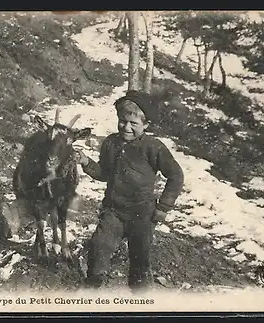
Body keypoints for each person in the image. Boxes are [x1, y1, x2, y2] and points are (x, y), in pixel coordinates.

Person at [75, 90, 185, 291]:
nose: (126, 128)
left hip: (142, 214)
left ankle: (140, 298)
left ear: (146, 125)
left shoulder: (153, 147)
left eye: (133, 124)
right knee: (99, 245)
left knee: (139, 259)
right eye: (122, 121)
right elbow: (104, 173)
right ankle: (92, 287)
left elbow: (176, 175)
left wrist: (164, 206)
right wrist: (86, 162)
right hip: (113, 211)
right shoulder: (111, 143)